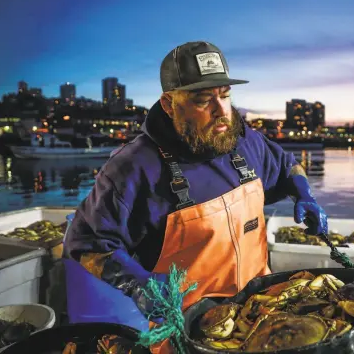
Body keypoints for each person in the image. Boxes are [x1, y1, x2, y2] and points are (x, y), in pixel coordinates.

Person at [63, 41, 328, 353]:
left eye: (225, 96)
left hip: (263, 313)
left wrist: (304, 194)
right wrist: (139, 287)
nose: (222, 111)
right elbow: (87, 244)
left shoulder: (246, 143)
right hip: (187, 334)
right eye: (204, 101)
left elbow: (287, 165)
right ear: (168, 103)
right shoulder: (133, 169)